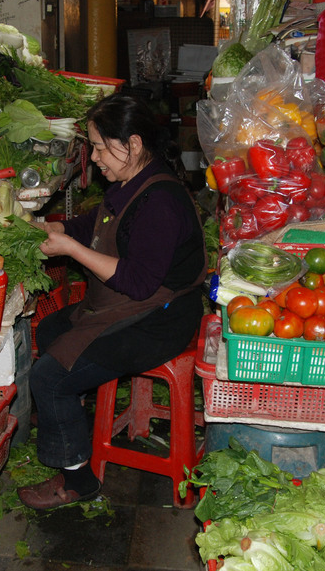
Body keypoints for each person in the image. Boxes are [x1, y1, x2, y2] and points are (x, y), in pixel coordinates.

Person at [17, 93, 208, 510]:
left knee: (47, 379)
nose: (96, 156)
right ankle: (72, 423)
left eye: (102, 146)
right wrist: (43, 228)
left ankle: (78, 479)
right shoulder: (131, 183)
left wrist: (69, 247)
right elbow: (94, 225)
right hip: (131, 305)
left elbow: (138, 283)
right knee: (50, 330)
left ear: (134, 144)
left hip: (160, 318)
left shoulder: (160, 201)